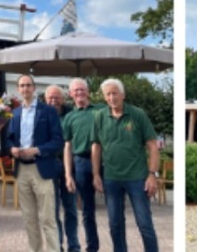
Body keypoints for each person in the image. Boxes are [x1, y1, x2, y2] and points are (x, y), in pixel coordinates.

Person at [91, 78, 159, 252]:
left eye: (115, 93)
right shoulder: (99, 116)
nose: (112, 97)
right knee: (115, 225)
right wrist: (96, 174)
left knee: (144, 224)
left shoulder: (137, 114)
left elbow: (152, 145)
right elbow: (96, 146)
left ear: (123, 95)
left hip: (137, 178)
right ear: (105, 97)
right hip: (111, 179)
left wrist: (152, 175)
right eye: (108, 94)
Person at [6, 74, 64, 252]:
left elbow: (58, 141)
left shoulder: (47, 111)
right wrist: (11, 149)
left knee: (48, 219)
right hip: (22, 170)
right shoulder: (14, 113)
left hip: (42, 169)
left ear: (34, 88)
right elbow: (8, 139)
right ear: (18, 89)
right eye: (22, 86)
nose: (25, 89)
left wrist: (37, 149)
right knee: (29, 219)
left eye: (28, 85)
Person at [64, 78, 102, 252]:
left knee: (116, 207)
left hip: (105, 162)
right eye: (75, 90)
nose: (79, 93)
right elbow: (68, 146)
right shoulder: (69, 117)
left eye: (82, 89)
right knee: (87, 210)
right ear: (71, 94)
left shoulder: (102, 110)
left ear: (88, 91)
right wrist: (68, 174)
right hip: (81, 163)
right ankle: (92, 248)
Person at [45, 85, 80, 252]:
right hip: (50, 166)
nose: (54, 101)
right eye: (50, 98)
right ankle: (56, 246)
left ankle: (74, 246)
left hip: (70, 167)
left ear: (63, 98)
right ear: (45, 100)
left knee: (71, 208)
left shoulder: (72, 114)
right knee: (52, 210)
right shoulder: (42, 115)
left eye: (56, 97)